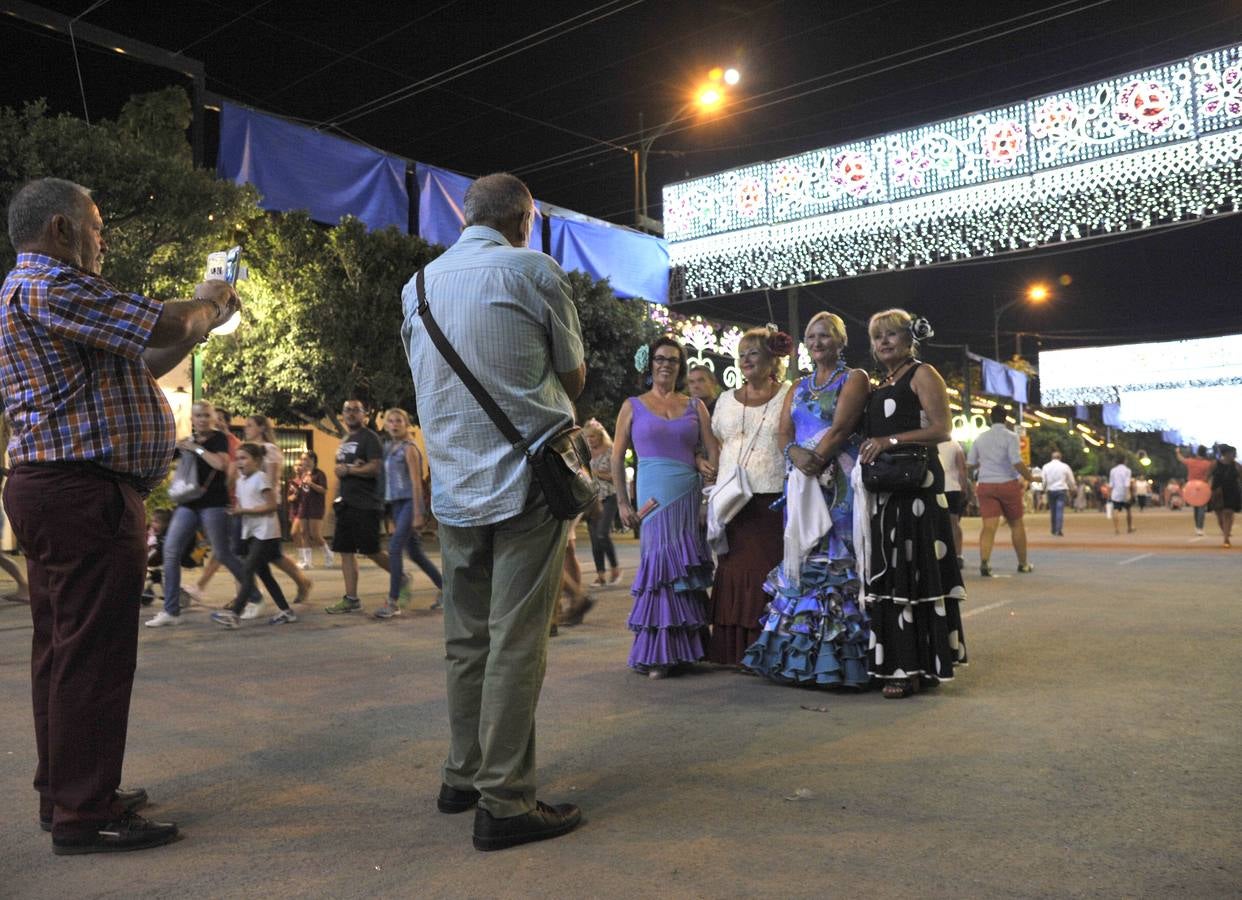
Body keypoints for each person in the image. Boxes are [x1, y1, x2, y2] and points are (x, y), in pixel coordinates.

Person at [1, 176, 238, 852]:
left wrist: (200, 320)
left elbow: (158, 350)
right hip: (84, 493)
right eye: (97, 225)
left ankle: (69, 791)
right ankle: (83, 811)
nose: (104, 240)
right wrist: (211, 299)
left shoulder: (39, 292)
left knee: (64, 650)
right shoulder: (54, 283)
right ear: (61, 229)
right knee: (94, 657)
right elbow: (167, 323)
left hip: (62, 489)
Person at [400, 172, 586, 850]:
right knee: (516, 641)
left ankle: (463, 774)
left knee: (465, 639)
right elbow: (572, 377)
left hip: (453, 486)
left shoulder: (415, 287)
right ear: (523, 218)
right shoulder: (532, 269)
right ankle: (505, 800)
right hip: (527, 480)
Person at [741, 312, 870, 687]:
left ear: (841, 341)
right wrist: (796, 457)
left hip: (839, 482)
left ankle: (844, 661)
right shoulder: (797, 386)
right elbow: (783, 433)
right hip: (801, 482)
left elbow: (844, 426)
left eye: (825, 335)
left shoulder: (855, 378)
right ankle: (799, 657)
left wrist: (816, 460)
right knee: (804, 556)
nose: (817, 342)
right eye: (811, 337)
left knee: (837, 558)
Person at [857, 309, 967, 699]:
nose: (884, 341)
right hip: (885, 494)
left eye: (891, 334)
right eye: (877, 336)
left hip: (917, 493)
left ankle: (911, 667)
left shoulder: (923, 374)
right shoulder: (879, 383)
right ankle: (899, 662)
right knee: (891, 576)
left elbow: (942, 428)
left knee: (914, 575)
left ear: (909, 339)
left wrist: (892, 441)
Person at [614, 336, 718, 679]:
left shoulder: (695, 406)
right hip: (652, 499)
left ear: (680, 366)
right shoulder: (633, 405)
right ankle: (658, 655)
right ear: (651, 363)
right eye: (660, 358)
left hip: (688, 494)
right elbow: (617, 457)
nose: (665, 364)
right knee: (660, 570)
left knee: (684, 571)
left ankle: (687, 651)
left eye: (673, 360)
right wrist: (622, 502)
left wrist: (702, 463)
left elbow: (713, 454)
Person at [705, 326, 790, 667]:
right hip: (729, 501)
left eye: (753, 353)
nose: (745, 360)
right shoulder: (725, 399)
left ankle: (764, 651)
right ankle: (731, 651)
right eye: (741, 355)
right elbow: (713, 443)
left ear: (772, 359)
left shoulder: (788, 393)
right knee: (732, 572)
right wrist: (704, 463)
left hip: (769, 497)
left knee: (763, 573)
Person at [150, 400, 249, 626]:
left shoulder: (219, 438)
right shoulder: (188, 441)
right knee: (171, 549)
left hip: (213, 503)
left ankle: (253, 595)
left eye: (206, 415)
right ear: (192, 419)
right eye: (198, 416)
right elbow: (165, 459)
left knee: (223, 554)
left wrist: (197, 449)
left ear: (212, 418)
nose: (202, 419)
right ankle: (171, 611)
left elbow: (220, 464)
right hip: (188, 503)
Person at [210, 443, 298, 627]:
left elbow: (272, 506)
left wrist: (243, 511)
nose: (240, 462)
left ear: (257, 461)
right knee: (264, 574)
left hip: (267, 533)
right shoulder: (241, 481)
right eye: (238, 458)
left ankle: (234, 614)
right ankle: (286, 611)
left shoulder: (261, 478)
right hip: (253, 534)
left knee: (248, 570)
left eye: (244, 458)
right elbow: (244, 508)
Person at [375, 407, 443, 619]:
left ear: (406, 425)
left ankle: (393, 601)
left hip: (408, 502)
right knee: (414, 553)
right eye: (391, 421)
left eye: (399, 421)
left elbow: (416, 482)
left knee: (394, 548)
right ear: (386, 425)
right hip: (396, 504)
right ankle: (448, 589)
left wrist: (418, 512)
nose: (394, 425)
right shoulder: (389, 448)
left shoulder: (409, 448)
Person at [324, 399, 391, 614]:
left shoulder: (369, 437)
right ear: (342, 414)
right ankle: (351, 598)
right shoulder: (344, 440)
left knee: (371, 550)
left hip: (366, 503)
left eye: (356, 410)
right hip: (346, 504)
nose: (351, 414)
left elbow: (375, 466)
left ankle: (401, 577)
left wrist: (351, 470)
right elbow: (343, 470)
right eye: (347, 410)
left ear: (364, 414)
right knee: (345, 550)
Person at [241, 415, 311, 613]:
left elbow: (270, 482)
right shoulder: (249, 450)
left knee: (267, 556)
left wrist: (263, 504)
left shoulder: (269, 450)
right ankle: (301, 583)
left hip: (266, 508)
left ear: (262, 428)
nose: (246, 429)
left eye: (250, 425)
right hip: (251, 508)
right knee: (271, 556)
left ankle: (248, 599)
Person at [968, 404, 1035, 576]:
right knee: (1017, 525)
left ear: (991, 418)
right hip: (1007, 483)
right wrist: (1030, 477)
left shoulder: (980, 438)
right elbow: (1016, 461)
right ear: (1006, 418)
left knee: (988, 526)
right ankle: (1023, 564)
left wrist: (986, 460)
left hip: (985, 485)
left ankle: (984, 562)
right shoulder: (1011, 436)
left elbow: (971, 462)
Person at [583, 420, 621, 587]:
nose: (590, 440)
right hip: (592, 499)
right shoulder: (585, 453)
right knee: (594, 538)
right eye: (588, 437)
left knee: (602, 533)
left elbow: (616, 476)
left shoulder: (611, 451)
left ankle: (615, 568)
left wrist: (597, 473)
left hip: (610, 496)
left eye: (593, 436)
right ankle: (600, 575)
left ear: (600, 436)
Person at [290, 451, 332, 567]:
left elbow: (323, 490)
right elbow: (300, 490)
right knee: (304, 533)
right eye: (303, 459)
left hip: (316, 507)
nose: (304, 462)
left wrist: (311, 484)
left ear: (313, 460)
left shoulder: (319, 474)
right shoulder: (303, 474)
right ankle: (307, 562)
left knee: (315, 534)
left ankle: (328, 554)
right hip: (304, 506)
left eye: (307, 459)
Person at [937, 438, 970, 568]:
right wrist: (965, 487)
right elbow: (962, 468)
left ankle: (939, 554)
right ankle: (958, 555)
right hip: (952, 487)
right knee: (954, 522)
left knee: (936, 523)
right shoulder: (955, 445)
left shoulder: (930, 443)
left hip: (937, 487)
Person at [1209, 444, 1242, 547]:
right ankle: (1225, 533)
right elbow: (1207, 476)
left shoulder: (1237, 466)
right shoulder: (1215, 464)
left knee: (1228, 514)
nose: (1234, 455)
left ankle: (1226, 539)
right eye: (1233, 453)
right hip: (1217, 492)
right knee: (1220, 516)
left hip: (1232, 492)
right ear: (1226, 454)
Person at [1177, 445, 1214, 536]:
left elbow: (1181, 459)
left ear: (1197, 452)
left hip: (1191, 487)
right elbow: (1211, 475)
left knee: (1195, 507)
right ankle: (1200, 528)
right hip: (1202, 486)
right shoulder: (1208, 463)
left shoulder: (1191, 461)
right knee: (1201, 507)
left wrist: (1177, 451)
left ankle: (1197, 526)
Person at [1041, 449, 1077, 537]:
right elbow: (1071, 480)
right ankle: (1058, 530)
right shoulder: (1065, 466)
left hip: (1050, 490)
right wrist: (1074, 488)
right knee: (1059, 510)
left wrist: (1044, 489)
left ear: (1052, 457)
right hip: (1061, 490)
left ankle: (1053, 529)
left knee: (1053, 510)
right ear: (1060, 457)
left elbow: (1044, 480)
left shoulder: (1046, 466)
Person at [1108, 455, 1134, 535]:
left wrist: (1109, 494)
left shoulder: (1112, 470)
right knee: (1128, 510)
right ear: (1125, 461)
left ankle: (1117, 529)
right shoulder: (1127, 470)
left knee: (1115, 510)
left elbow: (1111, 484)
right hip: (1124, 492)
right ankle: (1129, 527)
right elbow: (1127, 483)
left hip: (1115, 493)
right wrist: (1128, 494)